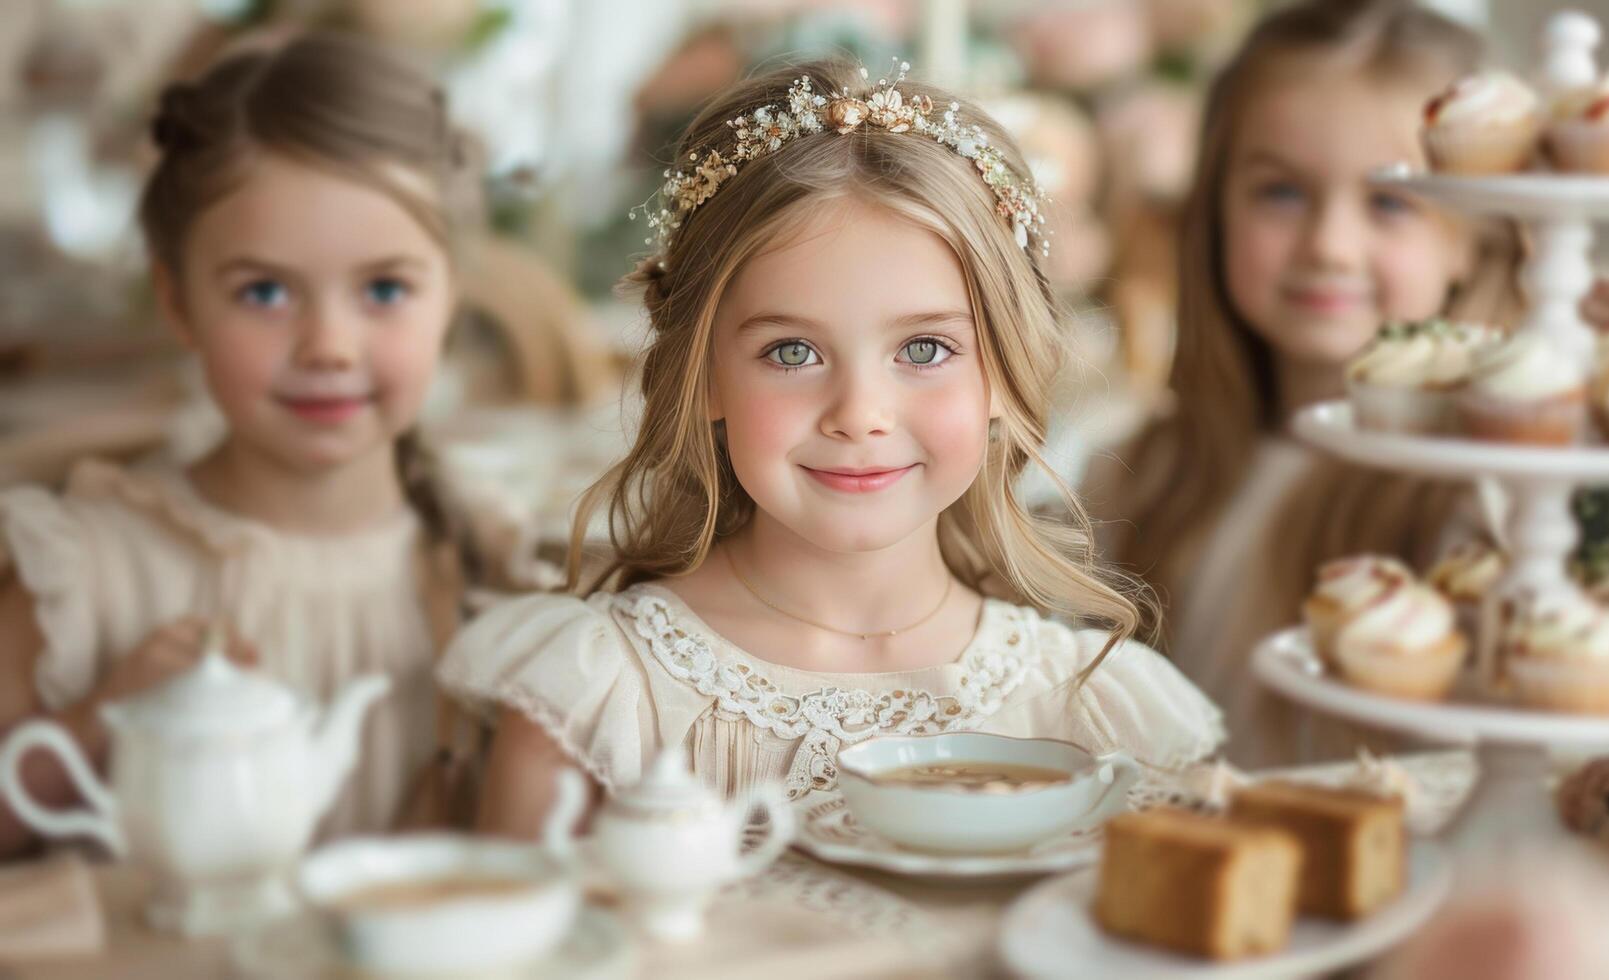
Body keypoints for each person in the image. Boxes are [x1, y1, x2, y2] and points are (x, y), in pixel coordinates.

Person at [438, 59, 1226, 837]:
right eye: (791, 353)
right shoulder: (596, 696)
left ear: (1005, 374)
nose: (859, 415)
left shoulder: (1092, 705)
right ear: (704, 376)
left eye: (922, 350)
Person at [0, 33, 534, 854]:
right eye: (265, 291)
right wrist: (97, 722)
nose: (327, 344)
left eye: (385, 288)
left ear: (450, 297)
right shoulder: (82, 573)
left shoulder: (493, 557)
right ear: (177, 302)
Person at [1089, 0, 1523, 767]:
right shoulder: (1130, 478)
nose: (1329, 245)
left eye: (1389, 201)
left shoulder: (1486, 506)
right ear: (1215, 209)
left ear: (1474, 239)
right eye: (1280, 192)